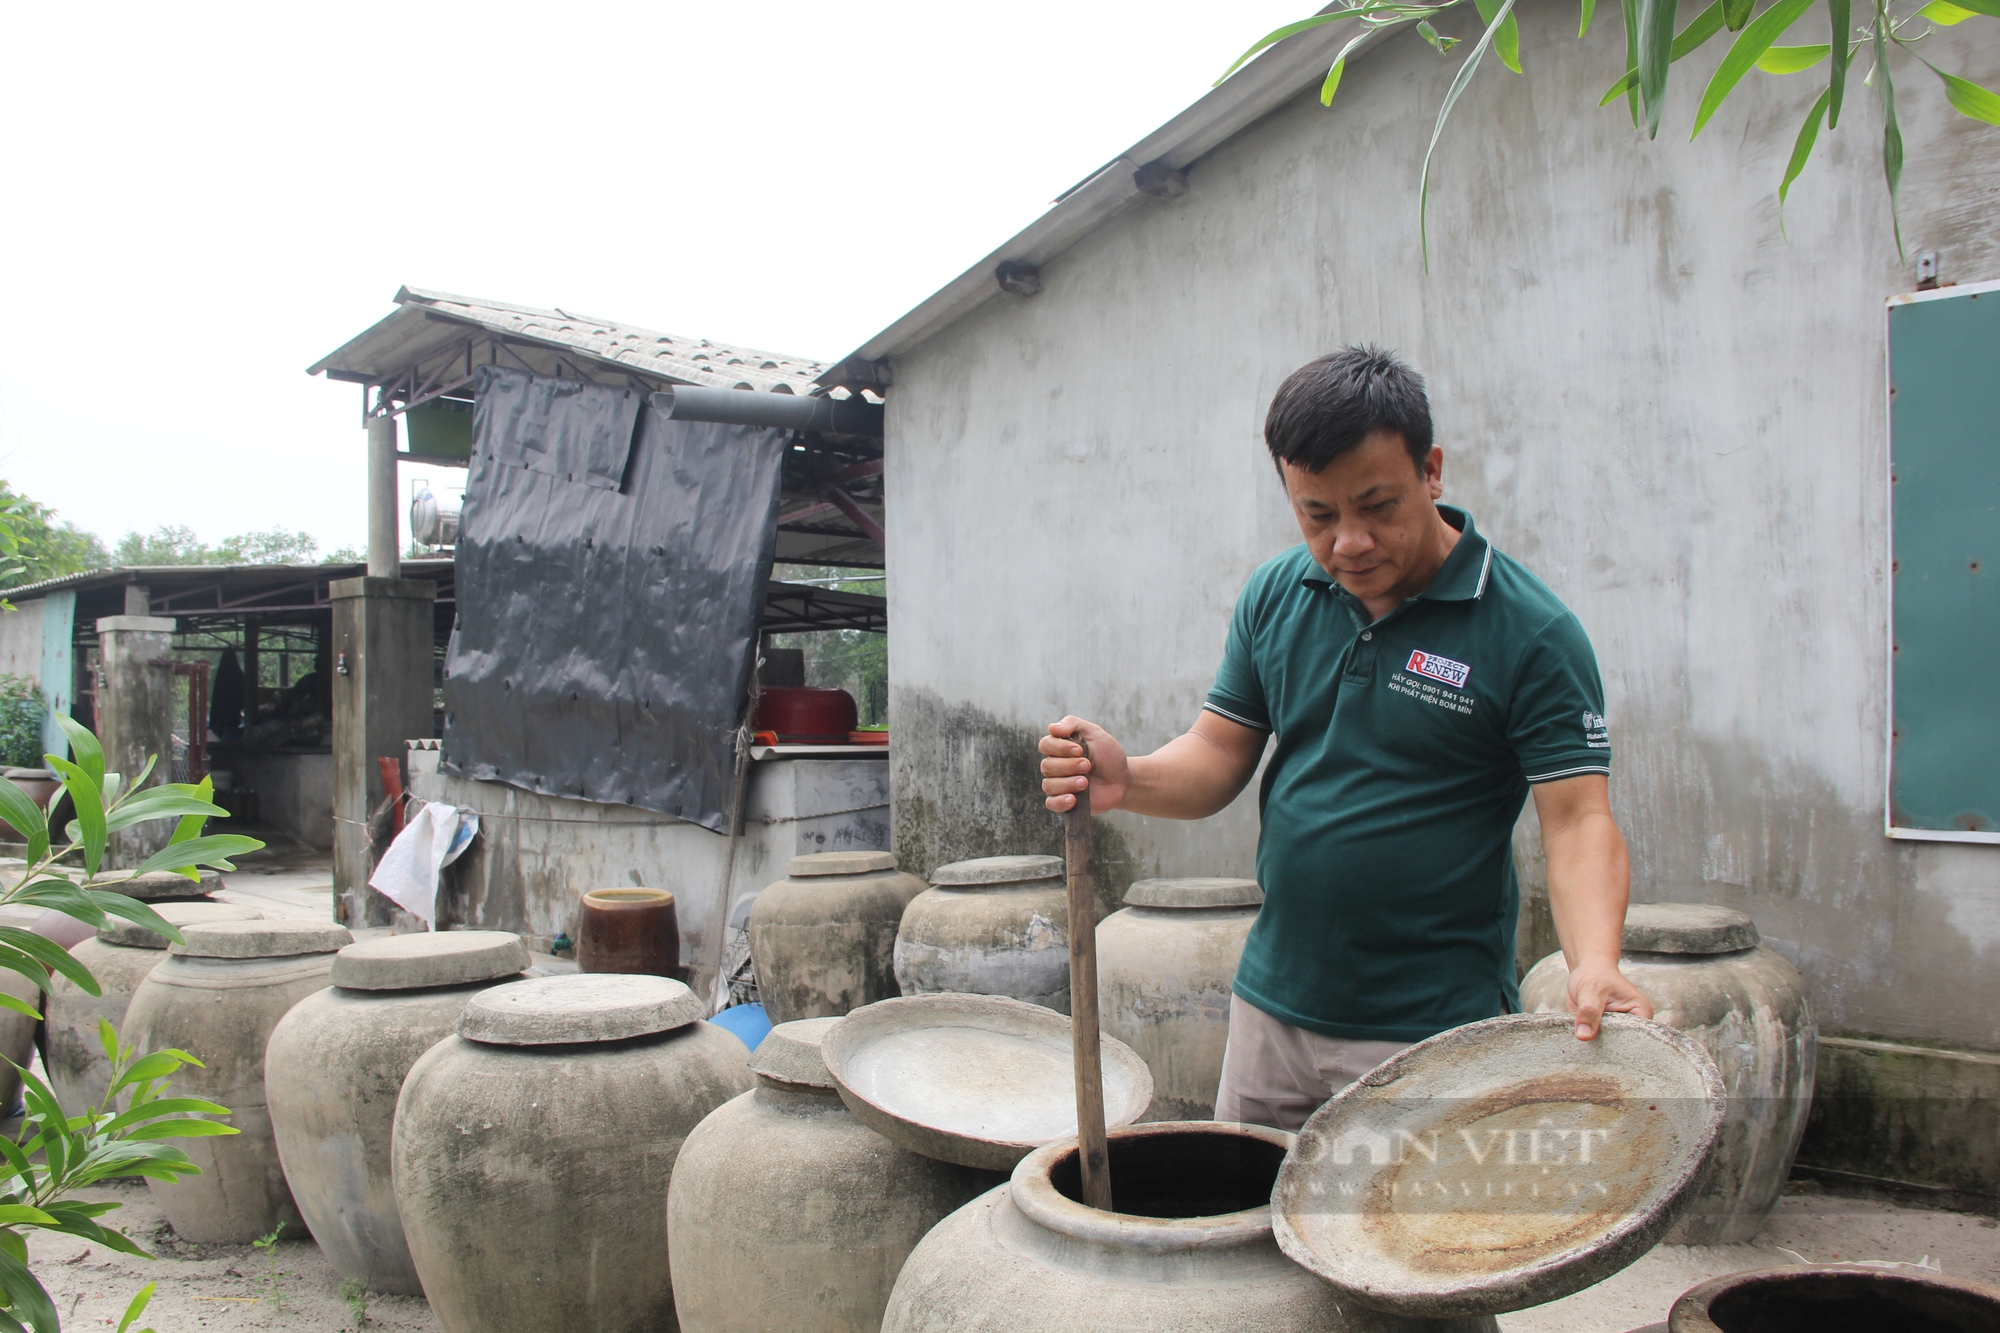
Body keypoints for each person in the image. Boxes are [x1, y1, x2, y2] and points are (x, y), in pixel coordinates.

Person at [1039, 347, 1651, 1132]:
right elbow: (1222, 751)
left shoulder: (1529, 631)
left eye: (1377, 506)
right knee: (1245, 1235)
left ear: (1431, 471)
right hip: (1271, 1013)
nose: (1349, 543)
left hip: (1427, 1032)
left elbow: (1576, 819)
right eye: (1317, 514)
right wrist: (1134, 780)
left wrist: (1593, 960)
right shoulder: (1277, 592)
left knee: (1401, 1250)